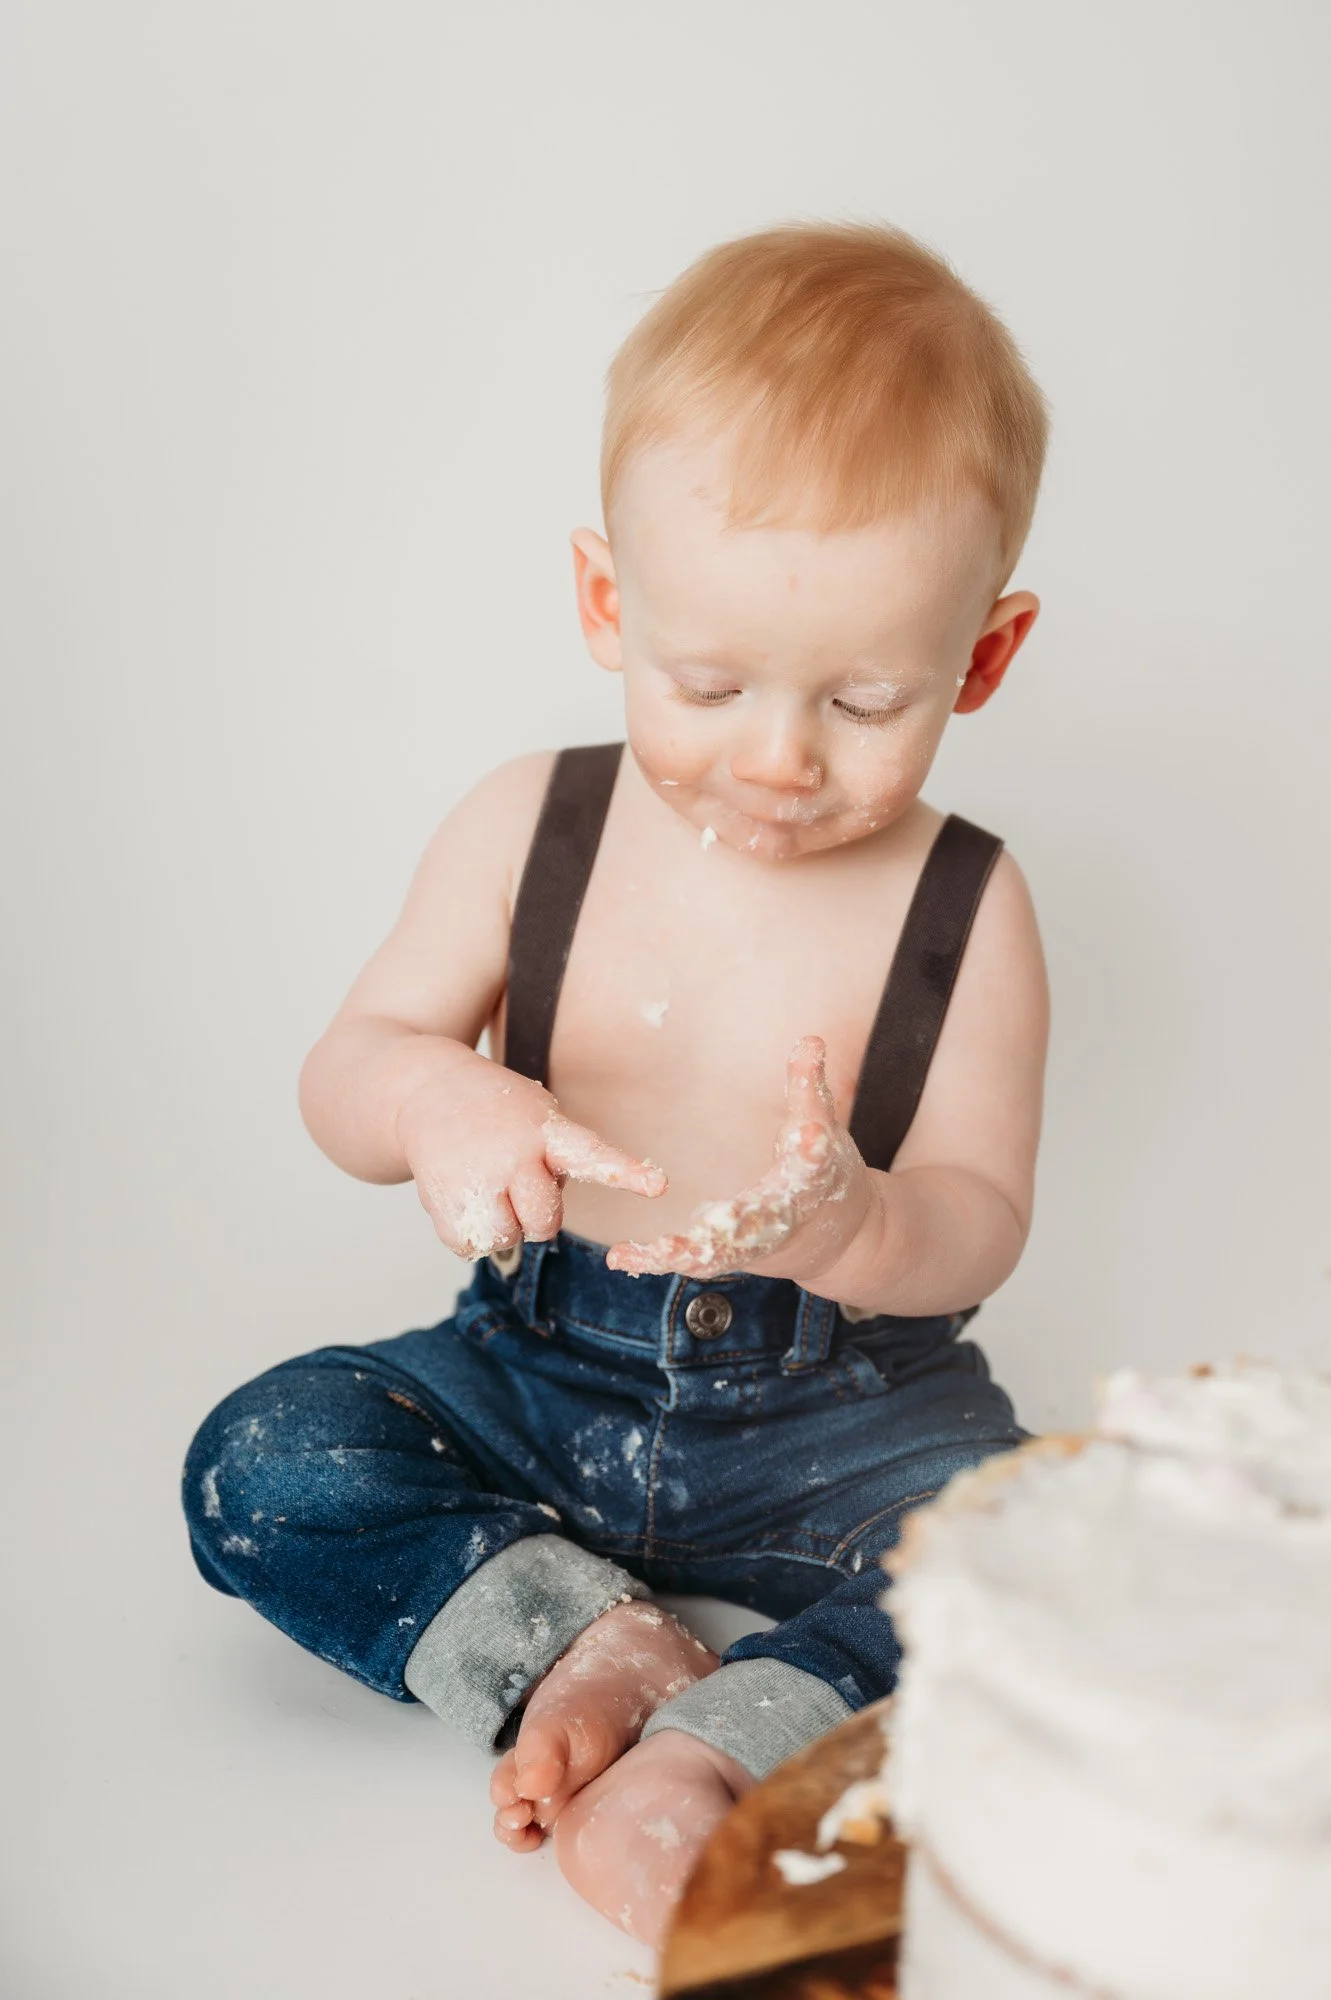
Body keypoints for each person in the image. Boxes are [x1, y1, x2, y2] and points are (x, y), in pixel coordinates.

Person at [182, 218, 1051, 1948]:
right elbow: (347, 1071)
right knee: (265, 1459)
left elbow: (979, 1224)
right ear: (606, 603)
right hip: (539, 1367)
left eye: (866, 700)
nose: (780, 756)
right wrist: (437, 1098)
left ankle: (713, 1756)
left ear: (981, 659)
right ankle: (579, 1639)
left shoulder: (969, 902)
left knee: (1032, 1556)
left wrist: (866, 1226)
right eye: (709, 682)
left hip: (842, 1413)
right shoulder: (531, 824)